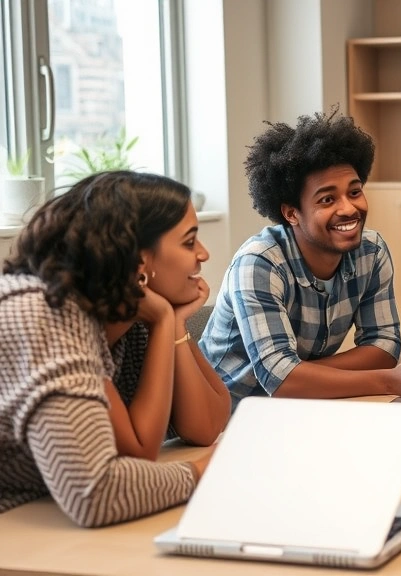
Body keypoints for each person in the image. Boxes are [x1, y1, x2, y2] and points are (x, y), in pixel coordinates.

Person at [0, 171, 230, 527]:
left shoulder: (126, 318)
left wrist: (171, 323)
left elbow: (206, 426)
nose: (203, 253)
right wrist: (204, 471)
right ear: (138, 260)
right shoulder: (45, 315)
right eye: (188, 242)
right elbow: (96, 492)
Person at [199, 108, 401, 408]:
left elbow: (384, 346)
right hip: (223, 422)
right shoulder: (259, 263)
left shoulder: (371, 252)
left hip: (302, 408)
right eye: (327, 199)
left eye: (354, 192)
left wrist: (301, 377)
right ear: (291, 213)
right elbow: (281, 380)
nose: (348, 208)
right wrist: (386, 379)